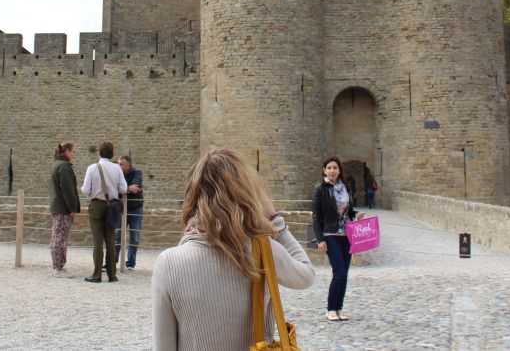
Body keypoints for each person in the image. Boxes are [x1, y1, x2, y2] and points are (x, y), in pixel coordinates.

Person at [152, 148, 313, 350]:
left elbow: (164, 345)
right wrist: (276, 221)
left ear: (192, 195)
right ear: (248, 194)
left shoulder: (167, 263)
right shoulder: (264, 251)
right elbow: (306, 275)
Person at [313, 155, 362, 322]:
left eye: (335, 168)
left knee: (344, 274)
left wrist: (357, 215)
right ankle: (331, 309)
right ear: (324, 171)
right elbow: (316, 216)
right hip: (330, 234)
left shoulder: (345, 188)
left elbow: (348, 211)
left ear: (339, 170)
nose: (332, 171)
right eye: (329, 168)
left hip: (347, 235)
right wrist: (320, 239)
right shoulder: (320, 189)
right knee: (339, 272)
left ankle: (339, 308)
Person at [81, 141, 127, 283]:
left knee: (98, 241)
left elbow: (85, 189)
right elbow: (123, 188)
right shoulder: (117, 168)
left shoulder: (92, 168)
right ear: (112, 154)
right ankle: (112, 275)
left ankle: (97, 275)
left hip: (96, 205)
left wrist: (92, 196)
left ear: (99, 153)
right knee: (111, 240)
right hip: (112, 206)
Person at [49, 141, 80, 277]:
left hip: (58, 206)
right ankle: (58, 268)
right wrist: (72, 207)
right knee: (60, 238)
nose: (74, 154)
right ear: (66, 151)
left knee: (57, 236)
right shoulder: (64, 166)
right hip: (63, 208)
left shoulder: (57, 164)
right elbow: (67, 190)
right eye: (73, 151)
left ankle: (58, 266)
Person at [115, 155, 143, 269]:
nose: (118, 166)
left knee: (134, 236)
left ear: (128, 165)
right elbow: (115, 188)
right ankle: (113, 261)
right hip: (121, 208)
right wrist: (127, 188)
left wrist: (123, 189)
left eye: (121, 164)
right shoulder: (116, 174)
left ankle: (131, 262)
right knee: (117, 235)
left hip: (136, 208)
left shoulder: (137, 173)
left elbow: (135, 188)